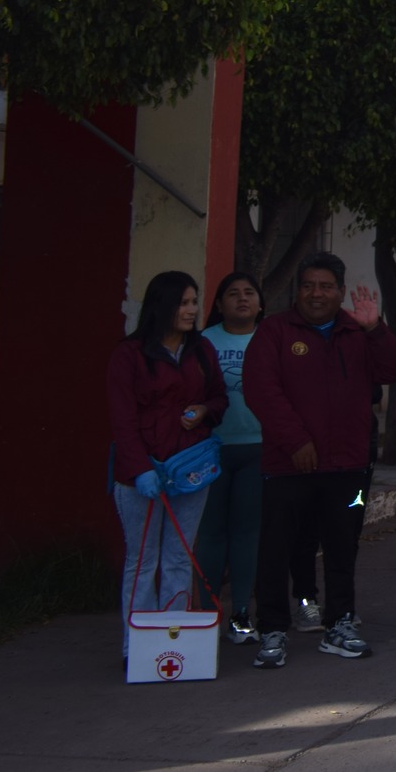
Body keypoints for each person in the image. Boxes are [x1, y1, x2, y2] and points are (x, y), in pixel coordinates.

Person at [243, 251, 396, 668]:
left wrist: (375, 330)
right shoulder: (274, 332)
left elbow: (395, 368)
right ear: (297, 290)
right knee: (277, 549)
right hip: (288, 467)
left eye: (326, 287)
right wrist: (295, 441)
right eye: (308, 286)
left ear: (339, 292)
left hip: (347, 467)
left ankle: (339, 624)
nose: (316, 294)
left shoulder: (358, 332)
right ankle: (274, 630)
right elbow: (262, 390)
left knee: (341, 546)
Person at [109, 271, 227, 661]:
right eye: (184, 302)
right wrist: (139, 467)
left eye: (194, 302)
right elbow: (121, 419)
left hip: (190, 470)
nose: (191, 310)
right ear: (162, 306)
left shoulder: (202, 350)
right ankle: (136, 645)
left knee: (179, 557)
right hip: (140, 474)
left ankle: (171, 643)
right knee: (142, 561)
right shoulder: (129, 354)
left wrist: (204, 411)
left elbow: (219, 398)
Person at [195, 272, 264, 645]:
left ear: (260, 302)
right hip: (210, 451)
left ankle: (240, 615)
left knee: (246, 534)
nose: (242, 298)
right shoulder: (203, 342)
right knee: (211, 534)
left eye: (249, 292)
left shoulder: (270, 340)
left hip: (258, 448)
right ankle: (205, 617)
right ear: (218, 304)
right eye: (232, 293)